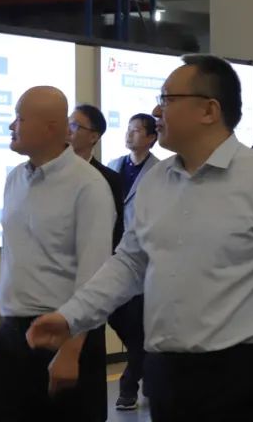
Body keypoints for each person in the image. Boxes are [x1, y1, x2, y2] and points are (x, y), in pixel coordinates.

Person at [26, 55, 253, 422]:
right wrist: (70, 317)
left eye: (167, 99)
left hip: (240, 374)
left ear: (209, 110)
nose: (157, 110)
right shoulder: (155, 181)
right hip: (165, 372)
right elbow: (129, 263)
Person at [0, 86, 116, 422]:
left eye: (20, 118)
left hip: (63, 336)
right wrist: (1, 325)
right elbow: (14, 260)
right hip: (10, 335)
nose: (11, 126)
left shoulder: (88, 186)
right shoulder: (15, 179)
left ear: (51, 127)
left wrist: (70, 352)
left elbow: (94, 276)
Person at [105, 112, 160, 412]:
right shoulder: (114, 166)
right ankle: (148, 372)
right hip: (113, 254)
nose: (130, 134)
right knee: (119, 319)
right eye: (128, 129)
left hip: (143, 258)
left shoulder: (159, 171)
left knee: (137, 325)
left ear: (151, 137)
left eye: (137, 130)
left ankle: (129, 386)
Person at [69, 103, 126, 247]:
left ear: (93, 137)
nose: (67, 130)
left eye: (74, 126)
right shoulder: (52, 171)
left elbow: (116, 231)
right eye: (67, 123)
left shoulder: (109, 179)